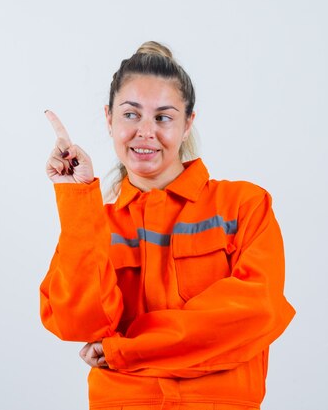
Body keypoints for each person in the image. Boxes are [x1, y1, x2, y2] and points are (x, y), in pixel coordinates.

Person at [40, 41, 295, 410]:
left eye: (163, 117)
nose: (145, 132)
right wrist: (78, 197)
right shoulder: (98, 223)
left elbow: (255, 313)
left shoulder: (244, 206)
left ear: (188, 123)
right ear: (109, 118)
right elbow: (78, 322)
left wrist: (128, 351)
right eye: (130, 115)